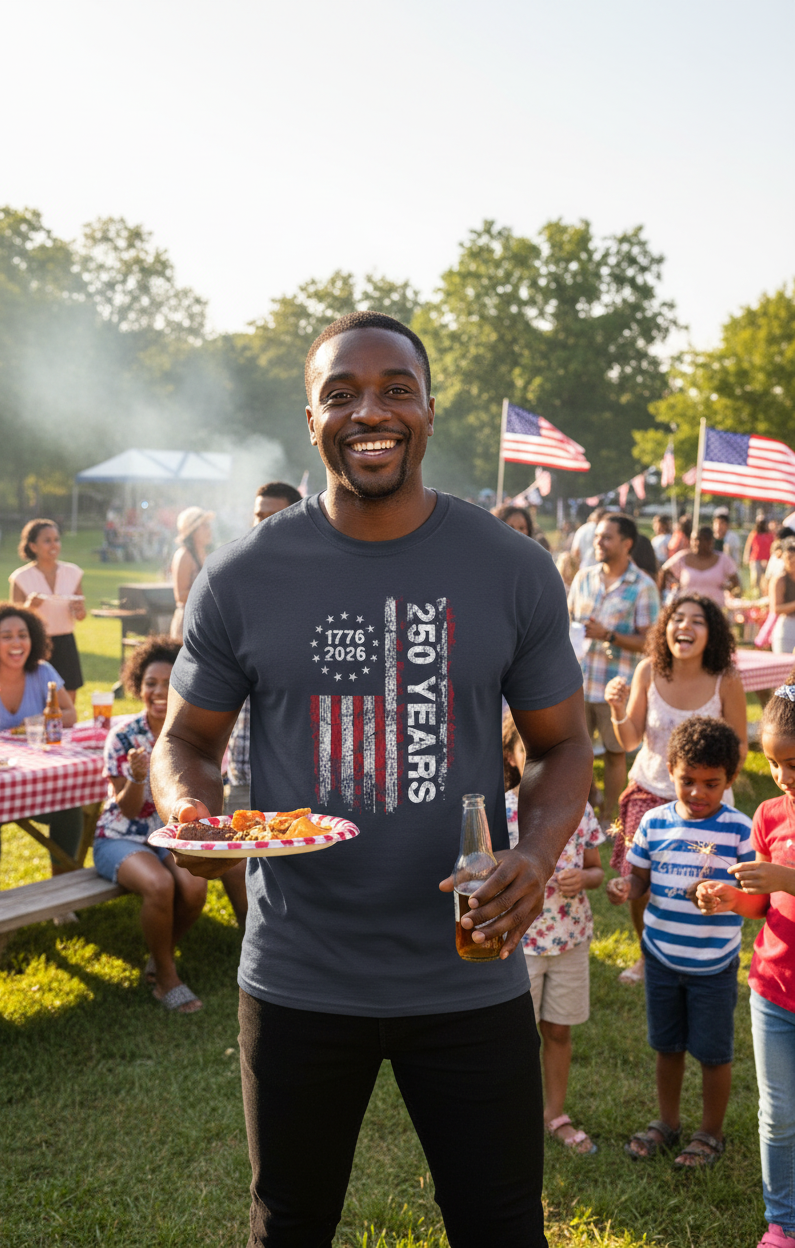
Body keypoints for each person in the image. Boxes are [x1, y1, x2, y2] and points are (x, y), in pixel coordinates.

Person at [151, 310, 593, 1246]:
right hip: (302, 972)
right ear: (311, 422)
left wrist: (538, 851)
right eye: (342, 394)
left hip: (468, 967)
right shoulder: (240, 579)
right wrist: (192, 813)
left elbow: (562, 745)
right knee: (293, 1224)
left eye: (396, 388)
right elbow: (184, 739)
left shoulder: (511, 568)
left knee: (503, 1225)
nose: (371, 411)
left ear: (430, 409)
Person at [607, 716, 753, 1166]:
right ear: (670, 770)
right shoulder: (653, 823)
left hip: (714, 963)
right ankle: (667, 1123)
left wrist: (727, 897)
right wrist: (624, 887)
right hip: (662, 956)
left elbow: (752, 896)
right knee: (666, 1046)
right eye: (687, 781)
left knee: (713, 1052)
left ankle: (710, 1132)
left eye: (712, 783)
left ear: (729, 780)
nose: (698, 793)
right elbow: (640, 880)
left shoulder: (738, 830)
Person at [604, 593, 748, 984]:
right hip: (649, 791)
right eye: (677, 618)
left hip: (705, 802)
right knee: (642, 883)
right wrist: (618, 711)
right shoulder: (648, 671)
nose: (684, 626)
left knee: (697, 879)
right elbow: (630, 738)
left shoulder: (726, 678)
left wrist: (719, 785)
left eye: (697, 621)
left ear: (712, 633)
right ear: (665, 627)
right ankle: (647, 954)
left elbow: (739, 745)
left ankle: (701, 953)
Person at [698, 677, 795, 1247]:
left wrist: (786, 878)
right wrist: (734, 899)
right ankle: (782, 1222)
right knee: (779, 1115)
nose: (783, 776)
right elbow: (763, 903)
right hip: (774, 990)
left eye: (794, 762)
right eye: (774, 763)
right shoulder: (769, 816)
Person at [503, 715, 604, 1155]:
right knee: (515, 1036)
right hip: (517, 944)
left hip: (569, 941)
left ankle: (554, 1113)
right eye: (531, 754)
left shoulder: (578, 808)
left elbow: (598, 868)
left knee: (558, 1031)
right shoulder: (499, 809)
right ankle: (513, 1117)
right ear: (512, 756)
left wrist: (585, 877)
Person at [92, 637, 207, 1012]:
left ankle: (159, 958)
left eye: (169, 682)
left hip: (168, 837)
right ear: (137, 686)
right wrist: (138, 778)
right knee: (159, 886)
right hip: (119, 838)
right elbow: (125, 812)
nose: (159, 691)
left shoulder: (192, 735)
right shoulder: (123, 735)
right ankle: (166, 978)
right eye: (150, 683)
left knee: (194, 888)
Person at [223, 479, 304, 922]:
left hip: (297, 772)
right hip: (244, 763)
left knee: (291, 868)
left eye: (275, 516)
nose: (264, 526)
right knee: (239, 860)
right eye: (258, 516)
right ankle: (249, 936)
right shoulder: (237, 583)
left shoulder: (317, 585)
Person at [0, 603, 78, 893]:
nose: (17, 643)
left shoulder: (43, 672)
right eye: (7, 636)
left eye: (23, 635)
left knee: (70, 809)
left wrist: (32, 723)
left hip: (34, 782)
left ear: (33, 639)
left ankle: (59, 893)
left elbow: (70, 713)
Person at [568, 512, 661, 826]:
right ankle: (589, 808)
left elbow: (651, 641)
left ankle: (611, 817)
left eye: (607, 537)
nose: (599, 543)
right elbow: (566, 622)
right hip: (577, 680)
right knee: (576, 751)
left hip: (616, 686)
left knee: (614, 752)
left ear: (627, 543)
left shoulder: (643, 586)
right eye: (597, 537)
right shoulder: (583, 579)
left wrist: (608, 635)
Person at [9, 518, 86, 702]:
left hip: (66, 643)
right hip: (37, 645)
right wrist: (29, 607)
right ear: (33, 546)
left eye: (56, 539)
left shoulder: (73, 573)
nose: (54, 545)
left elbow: (81, 615)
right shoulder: (21, 578)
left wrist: (78, 611)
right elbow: (12, 621)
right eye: (47, 540)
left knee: (68, 699)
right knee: (38, 698)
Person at [658, 526, 741, 607]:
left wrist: (729, 591)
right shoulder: (683, 557)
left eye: (701, 540)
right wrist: (661, 594)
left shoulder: (723, 560)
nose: (697, 543)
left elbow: (735, 581)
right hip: (688, 608)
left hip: (715, 608)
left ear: (710, 542)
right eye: (694, 540)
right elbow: (664, 571)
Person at [169, 506, 214, 642]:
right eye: (204, 526)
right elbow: (180, 596)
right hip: (187, 624)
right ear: (192, 532)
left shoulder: (205, 554)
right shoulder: (184, 556)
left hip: (204, 622)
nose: (209, 530)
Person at [768, 538, 795, 654]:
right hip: (787, 628)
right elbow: (776, 608)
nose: (792, 561)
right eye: (789, 558)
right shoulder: (780, 580)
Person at [745, 513, 775, 593]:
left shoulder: (770, 534)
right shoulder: (754, 533)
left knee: (767, 579)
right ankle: (755, 593)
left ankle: (765, 593)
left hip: (767, 559)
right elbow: (749, 546)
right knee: (756, 577)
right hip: (755, 558)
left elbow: (773, 546)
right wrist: (746, 557)